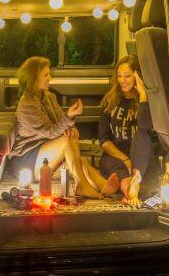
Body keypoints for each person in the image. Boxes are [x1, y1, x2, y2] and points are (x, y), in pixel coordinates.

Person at [8, 56, 118, 199]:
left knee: (79, 162)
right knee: (66, 141)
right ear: (33, 78)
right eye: (46, 75)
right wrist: (68, 121)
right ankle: (81, 185)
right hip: (27, 159)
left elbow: (61, 119)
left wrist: (71, 123)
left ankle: (103, 185)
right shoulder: (27, 105)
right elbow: (51, 132)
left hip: (46, 154)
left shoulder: (48, 96)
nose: (50, 78)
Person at [98, 54, 154, 207]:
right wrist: (126, 160)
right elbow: (103, 140)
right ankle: (131, 190)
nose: (123, 80)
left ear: (137, 76)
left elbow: (145, 127)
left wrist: (143, 94)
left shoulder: (147, 100)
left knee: (141, 134)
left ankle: (131, 183)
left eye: (128, 76)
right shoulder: (109, 100)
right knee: (119, 168)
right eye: (119, 76)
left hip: (140, 153)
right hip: (115, 154)